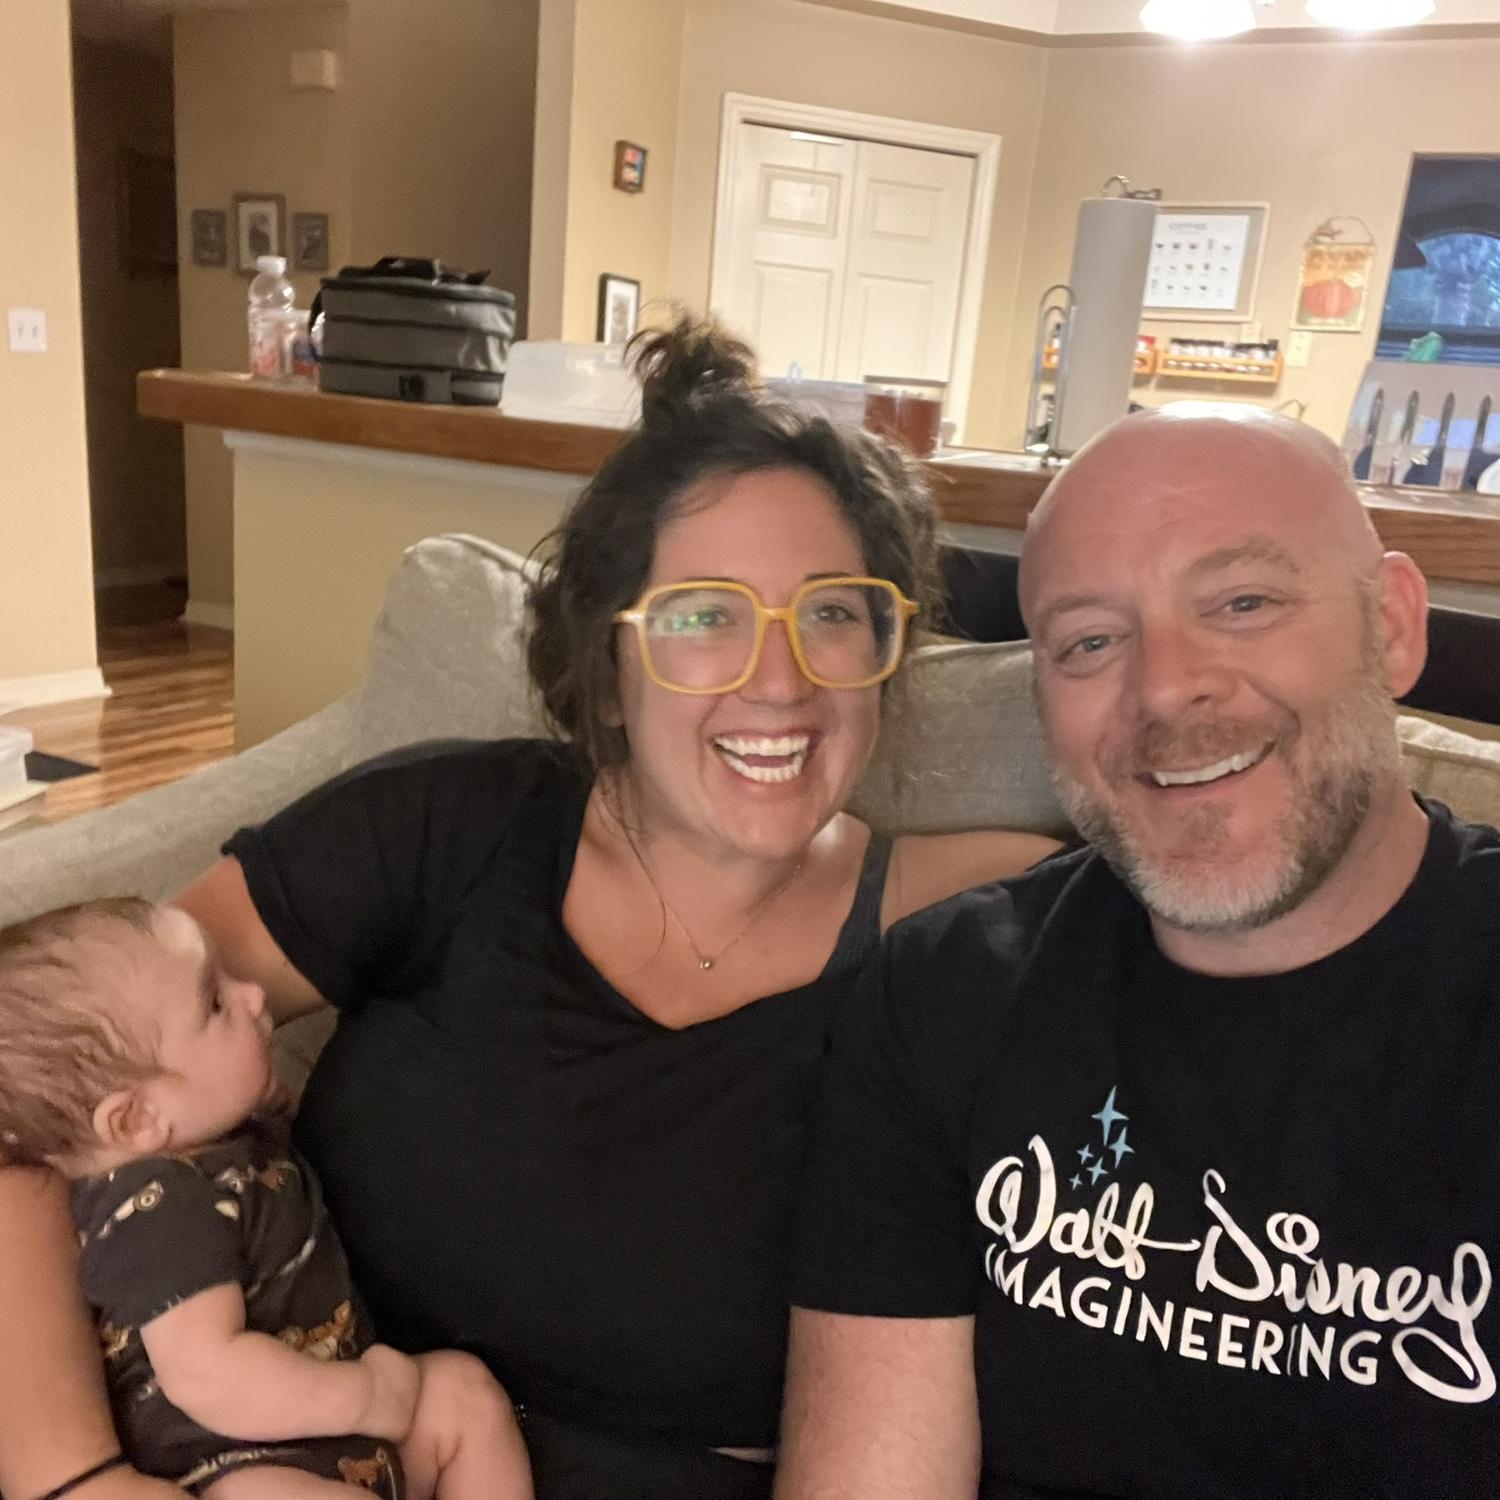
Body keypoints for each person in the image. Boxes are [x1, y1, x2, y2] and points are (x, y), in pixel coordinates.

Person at [0, 317, 1056, 1500]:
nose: (780, 677)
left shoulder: (975, 919)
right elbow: (34, 1086)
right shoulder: (450, 827)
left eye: (833, 612)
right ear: (606, 661)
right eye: (703, 615)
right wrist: (74, 1477)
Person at [780, 404, 1500, 1497]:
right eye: (1090, 643)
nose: (1165, 687)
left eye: (1243, 603)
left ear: (1393, 626)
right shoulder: (945, 997)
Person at [0, 898, 533, 1500]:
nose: (254, 996)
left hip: (331, 1435)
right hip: (234, 1465)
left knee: (460, 1393)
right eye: (215, 1003)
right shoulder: (157, 1209)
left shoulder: (222, 1144)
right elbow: (207, 1374)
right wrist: (363, 1397)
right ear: (137, 1120)